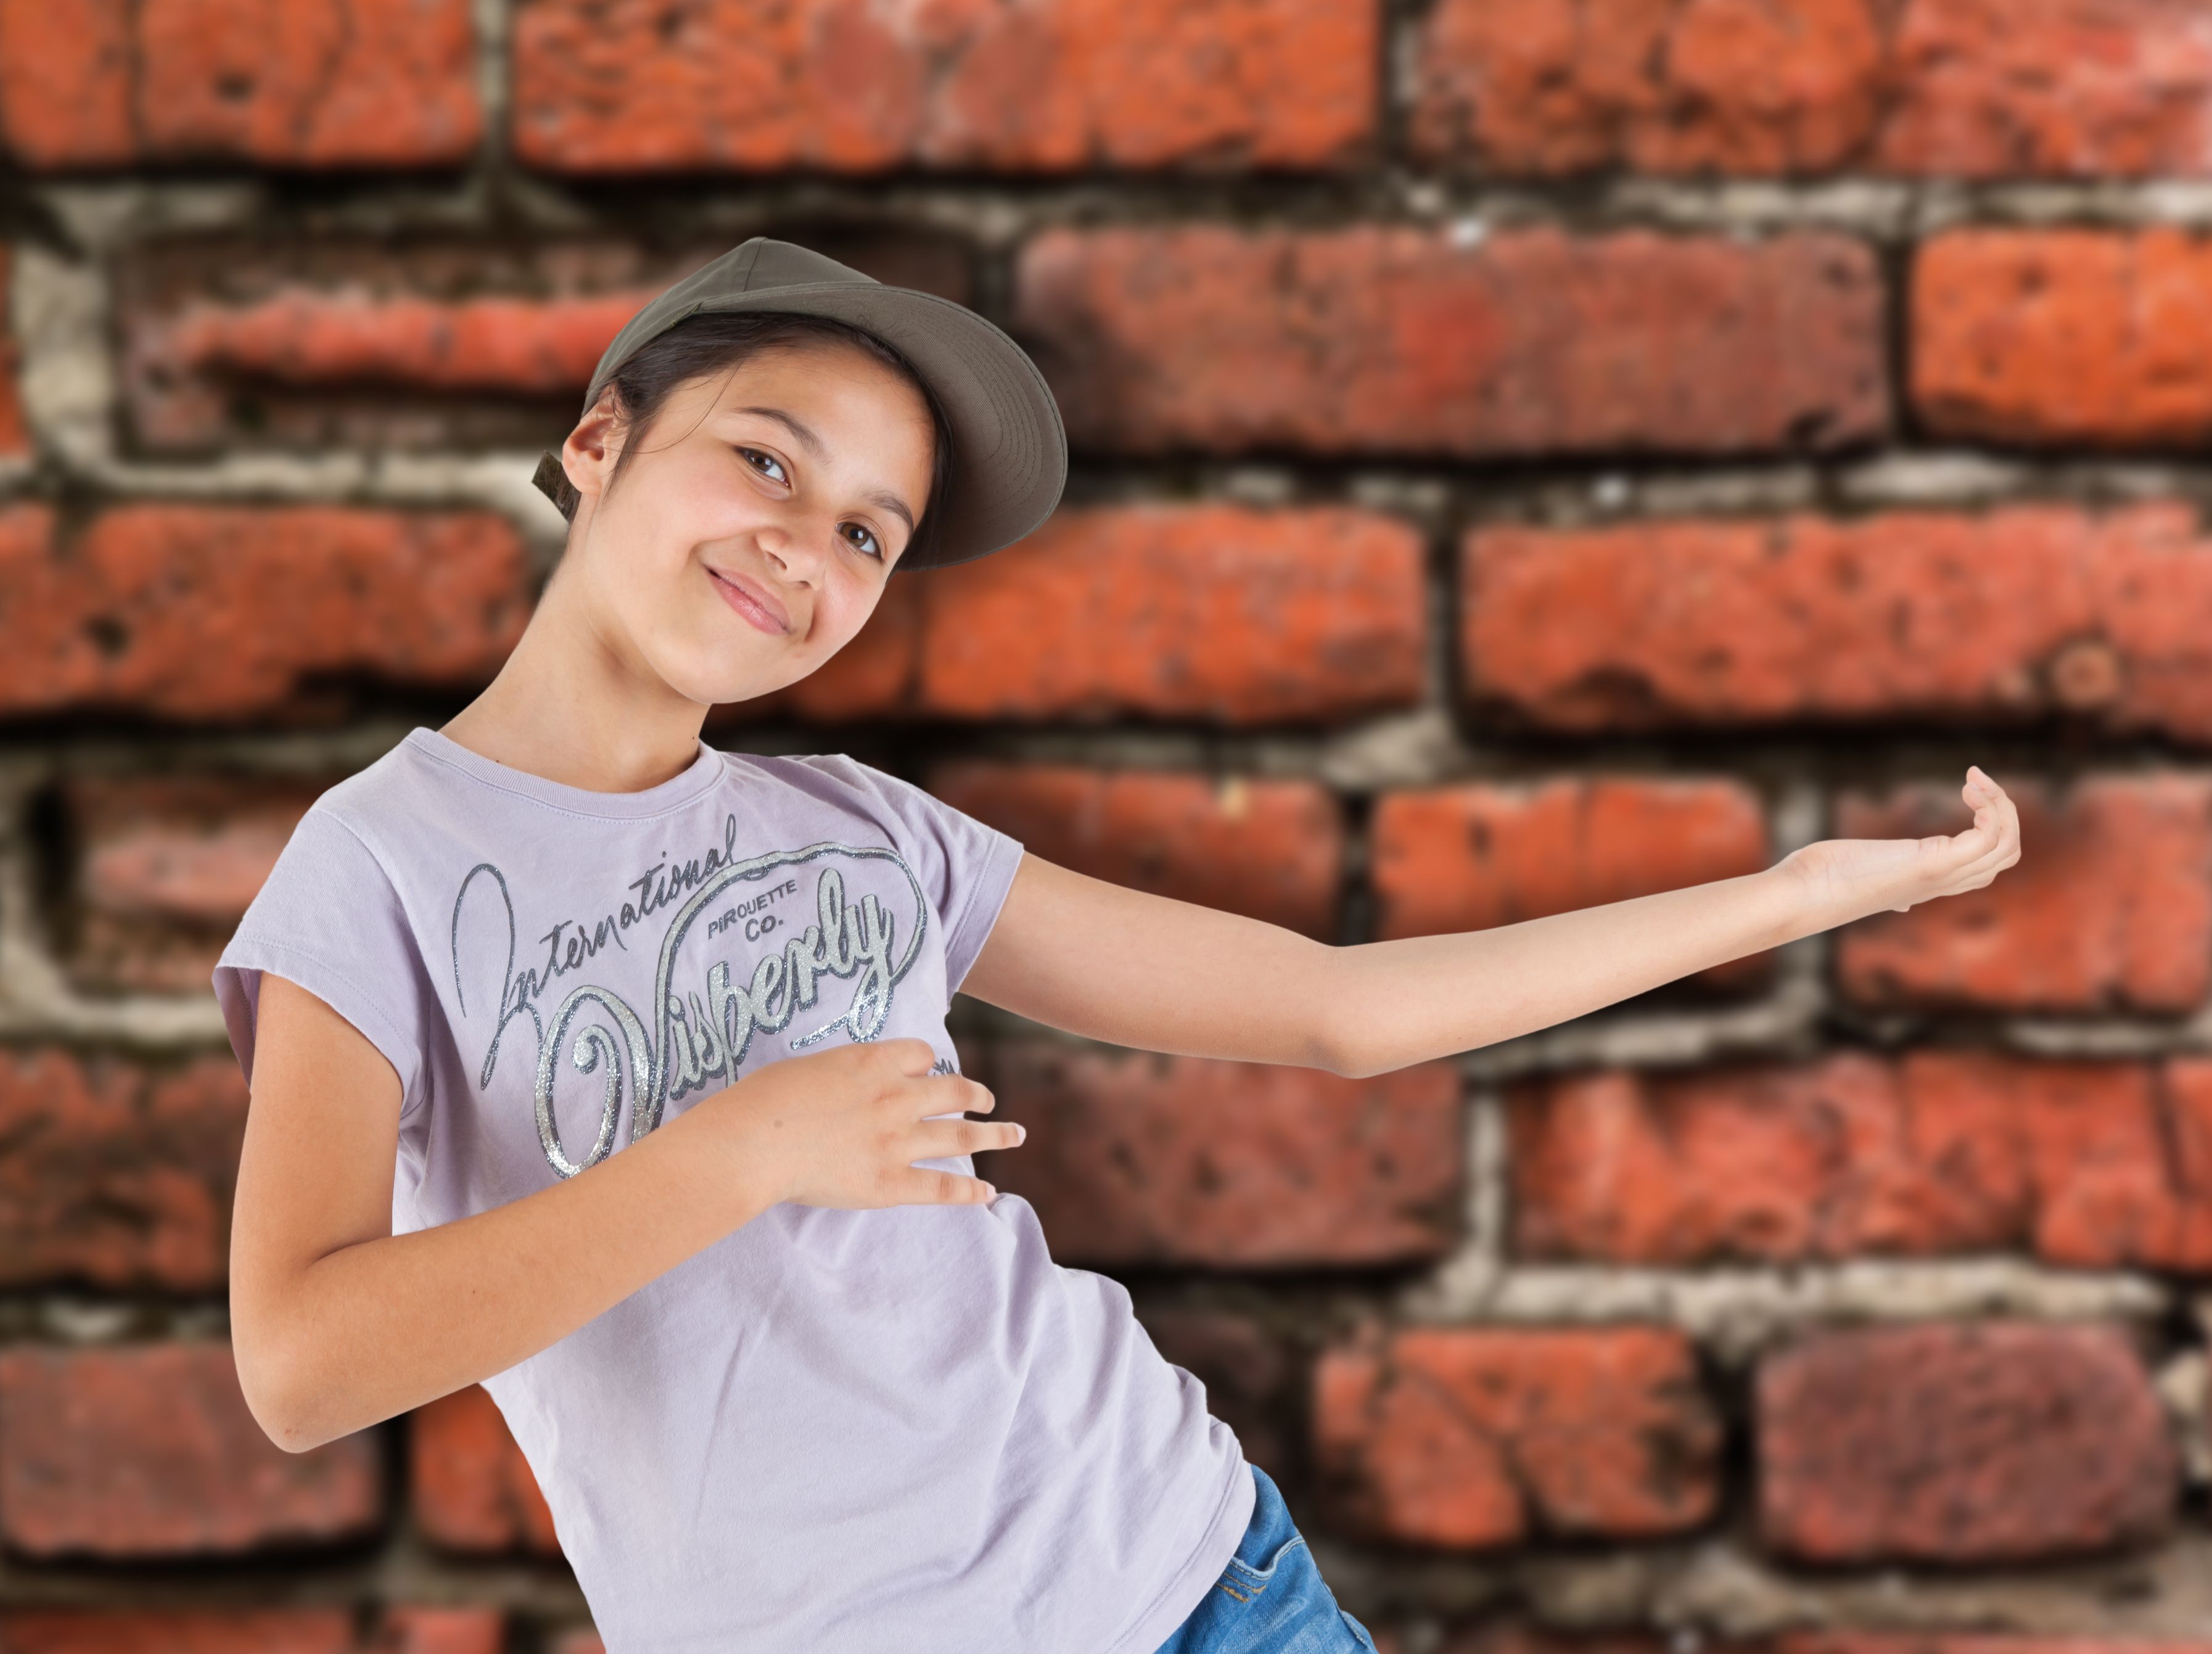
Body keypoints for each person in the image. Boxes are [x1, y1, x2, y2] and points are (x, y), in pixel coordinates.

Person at [214, 238, 2022, 1654]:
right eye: (762, 456)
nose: (804, 546)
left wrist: (1801, 894)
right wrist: (742, 1151)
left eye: (866, 530)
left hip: (1191, 1574)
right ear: (600, 437)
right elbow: (299, 1361)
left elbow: (1331, 1008)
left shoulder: (868, 829)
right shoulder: (380, 861)